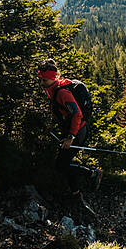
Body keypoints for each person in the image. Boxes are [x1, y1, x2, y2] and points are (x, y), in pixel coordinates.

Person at [37, 58, 102, 205]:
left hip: (77, 132)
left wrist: (71, 137)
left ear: (53, 78)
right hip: (71, 130)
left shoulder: (62, 93)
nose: (42, 84)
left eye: (44, 81)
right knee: (65, 163)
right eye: (40, 79)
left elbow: (77, 114)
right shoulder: (53, 89)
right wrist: (53, 126)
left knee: (61, 165)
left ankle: (93, 174)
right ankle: (76, 195)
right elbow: (60, 112)